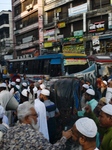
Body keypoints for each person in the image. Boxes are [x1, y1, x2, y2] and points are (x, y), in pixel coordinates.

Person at [0, 101, 72, 149]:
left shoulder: (8, 132)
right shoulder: (34, 136)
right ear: (27, 118)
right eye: (35, 115)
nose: (37, 119)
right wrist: (64, 138)